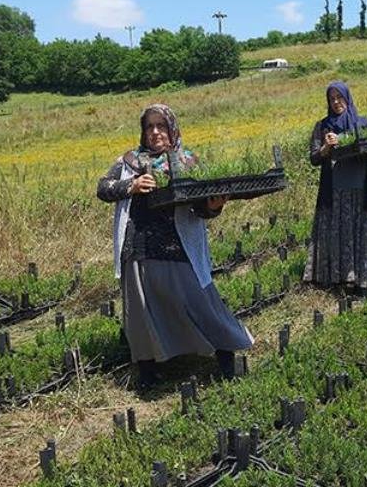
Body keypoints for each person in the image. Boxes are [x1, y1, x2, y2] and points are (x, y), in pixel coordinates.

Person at [97, 104, 252, 389]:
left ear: (172, 128)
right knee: (142, 311)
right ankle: (147, 368)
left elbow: (203, 209)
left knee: (198, 301)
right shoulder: (129, 161)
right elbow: (102, 188)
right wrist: (130, 186)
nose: (155, 132)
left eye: (161, 126)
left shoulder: (188, 160)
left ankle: (225, 353)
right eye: (149, 127)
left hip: (178, 244)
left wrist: (213, 207)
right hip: (138, 245)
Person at [304, 81, 367, 291]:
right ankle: (337, 277)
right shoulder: (323, 126)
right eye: (332, 99)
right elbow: (314, 158)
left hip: (360, 187)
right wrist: (325, 148)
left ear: (347, 97)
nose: (336, 102)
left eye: (339, 97)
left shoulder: (364, 125)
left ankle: (359, 277)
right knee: (337, 231)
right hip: (334, 189)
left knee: (357, 229)